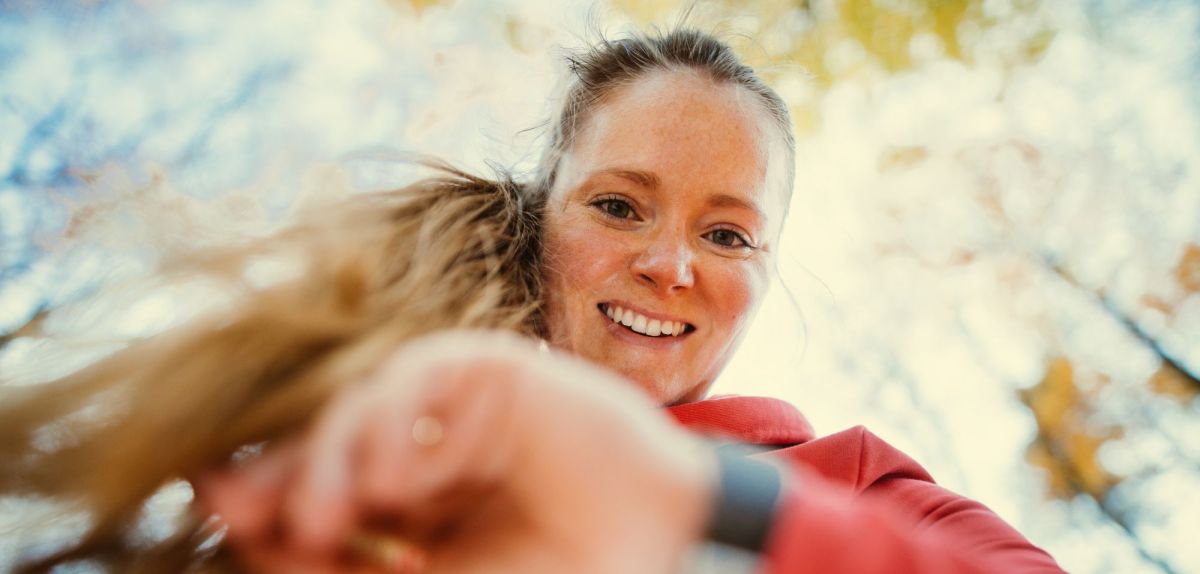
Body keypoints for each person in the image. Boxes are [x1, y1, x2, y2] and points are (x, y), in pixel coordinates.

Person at [0, 26, 1066, 574]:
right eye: (617, 206)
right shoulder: (373, 429)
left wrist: (701, 509)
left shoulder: (856, 481)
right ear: (536, 215)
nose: (672, 264)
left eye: (728, 232)